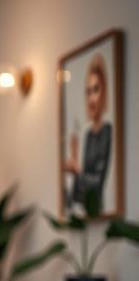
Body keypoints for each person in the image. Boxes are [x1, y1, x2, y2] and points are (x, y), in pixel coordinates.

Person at [64, 53, 112, 213]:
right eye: (88, 92)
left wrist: (77, 169)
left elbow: (97, 183)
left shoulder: (107, 132)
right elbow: (79, 190)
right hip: (83, 211)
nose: (91, 98)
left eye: (96, 90)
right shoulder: (87, 135)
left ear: (104, 91)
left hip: (97, 209)